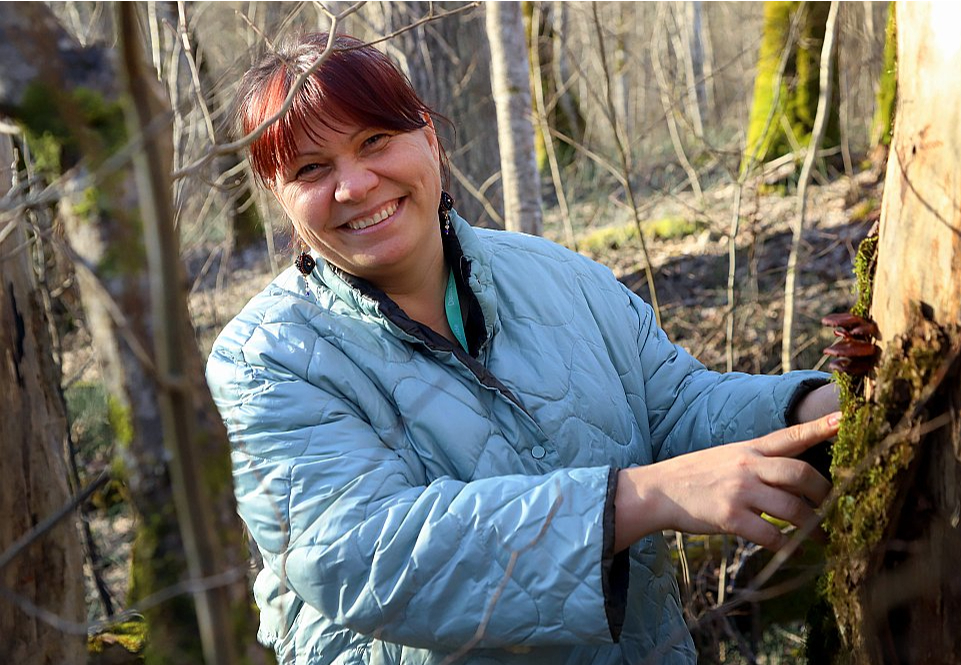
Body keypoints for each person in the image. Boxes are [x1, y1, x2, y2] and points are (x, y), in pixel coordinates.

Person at [206, 33, 840, 665]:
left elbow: (675, 407)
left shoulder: (557, 276)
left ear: (428, 136)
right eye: (311, 169)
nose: (354, 184)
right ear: (280, 196)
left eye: (374, 141)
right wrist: (643, 498)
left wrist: (817, 409)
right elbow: (363, 555)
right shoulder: (263, 363)